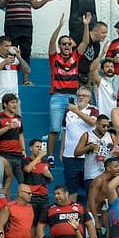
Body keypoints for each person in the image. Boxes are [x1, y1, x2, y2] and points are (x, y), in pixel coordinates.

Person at [46, 12, 92, 166]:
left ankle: (72, 153)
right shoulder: (54, 57)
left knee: (74, 128)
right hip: (57, 96)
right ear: (60, 46)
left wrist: (86, 25)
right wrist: (59, 27)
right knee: (54, 129)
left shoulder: (76, 56)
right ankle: (51, 157)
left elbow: (86, 41)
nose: (66, 46)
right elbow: (51, 42)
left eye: (68, 43)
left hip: (73, 97)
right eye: (63, 44)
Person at [0, 0, 56, 80]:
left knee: (26, 52)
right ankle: (11, 78)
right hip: (12, 25)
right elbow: (1, 5)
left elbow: (34, 5)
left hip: (26, 25)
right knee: (11, 51)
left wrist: (45, 0)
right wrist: (7, 0)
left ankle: (26, 79)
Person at [0, 36, 29, 118]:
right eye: (6, 46)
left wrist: (19, 56)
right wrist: (4, 63)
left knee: (16, 128)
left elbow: (27, 70)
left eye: (10, 46)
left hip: (14, 101)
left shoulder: (14, 60)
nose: (9, 48)